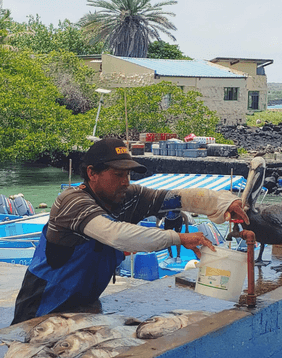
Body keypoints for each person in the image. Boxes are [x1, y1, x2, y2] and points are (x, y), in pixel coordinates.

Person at [11, 138, 249, 324]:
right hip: (42, 305)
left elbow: (176, 198)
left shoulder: (129, 197)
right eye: (118, 175)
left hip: (86, 304)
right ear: (92, 173)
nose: (125, 182)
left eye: (128, 175)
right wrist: (177, 237)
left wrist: (223, 203)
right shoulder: (72, 201)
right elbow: (116, 235)